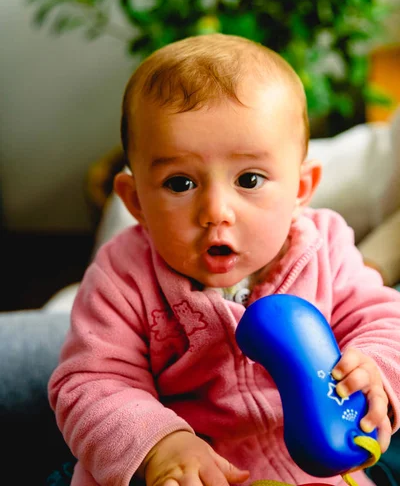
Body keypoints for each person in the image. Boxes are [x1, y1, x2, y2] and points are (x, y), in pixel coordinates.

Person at [48, 34, 400, 486]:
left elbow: (384, 318)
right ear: (135, 201)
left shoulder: (326, 249)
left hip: (312, 465)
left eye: (249, 179)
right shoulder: (123, 276)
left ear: (300, 188)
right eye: (180, 184)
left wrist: (376, 367)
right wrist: (159, 443)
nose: (216, 211)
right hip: (184, 470)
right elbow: (89, 384)